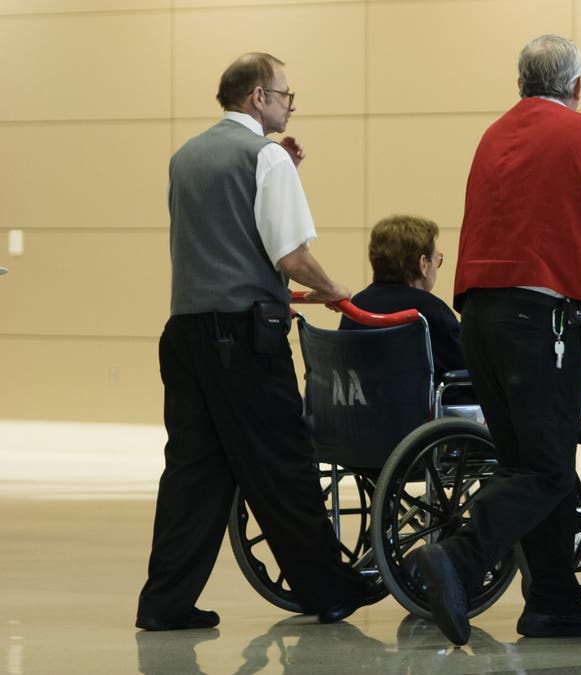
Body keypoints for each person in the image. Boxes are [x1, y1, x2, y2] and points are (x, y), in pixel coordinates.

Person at [410, 34, 581, 645]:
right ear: (577, 87)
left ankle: (553, 602)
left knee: (526, 463)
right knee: (551, 469)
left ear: (520, 84)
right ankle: (459, 555)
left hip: (479, 317)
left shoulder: (493, 136)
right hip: (540, 324)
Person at [136, 52, 378, 631]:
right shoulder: (265, 156)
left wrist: (282, 166)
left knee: (194, 472)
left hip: (186, 332)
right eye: (285, 94)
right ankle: (330, 589)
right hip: (245, 337)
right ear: (257, 99)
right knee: (283, 463)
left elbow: (224, 229)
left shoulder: (185, 157)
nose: (289, 104)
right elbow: (288, 255)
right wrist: (334, 286)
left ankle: (165, 601)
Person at [339, 214, 465, 381]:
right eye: (437, 259)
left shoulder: (356, 306)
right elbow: (467, 366)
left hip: (361, 406)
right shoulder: (430, 309)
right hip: (420, 407)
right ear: (423, 264)